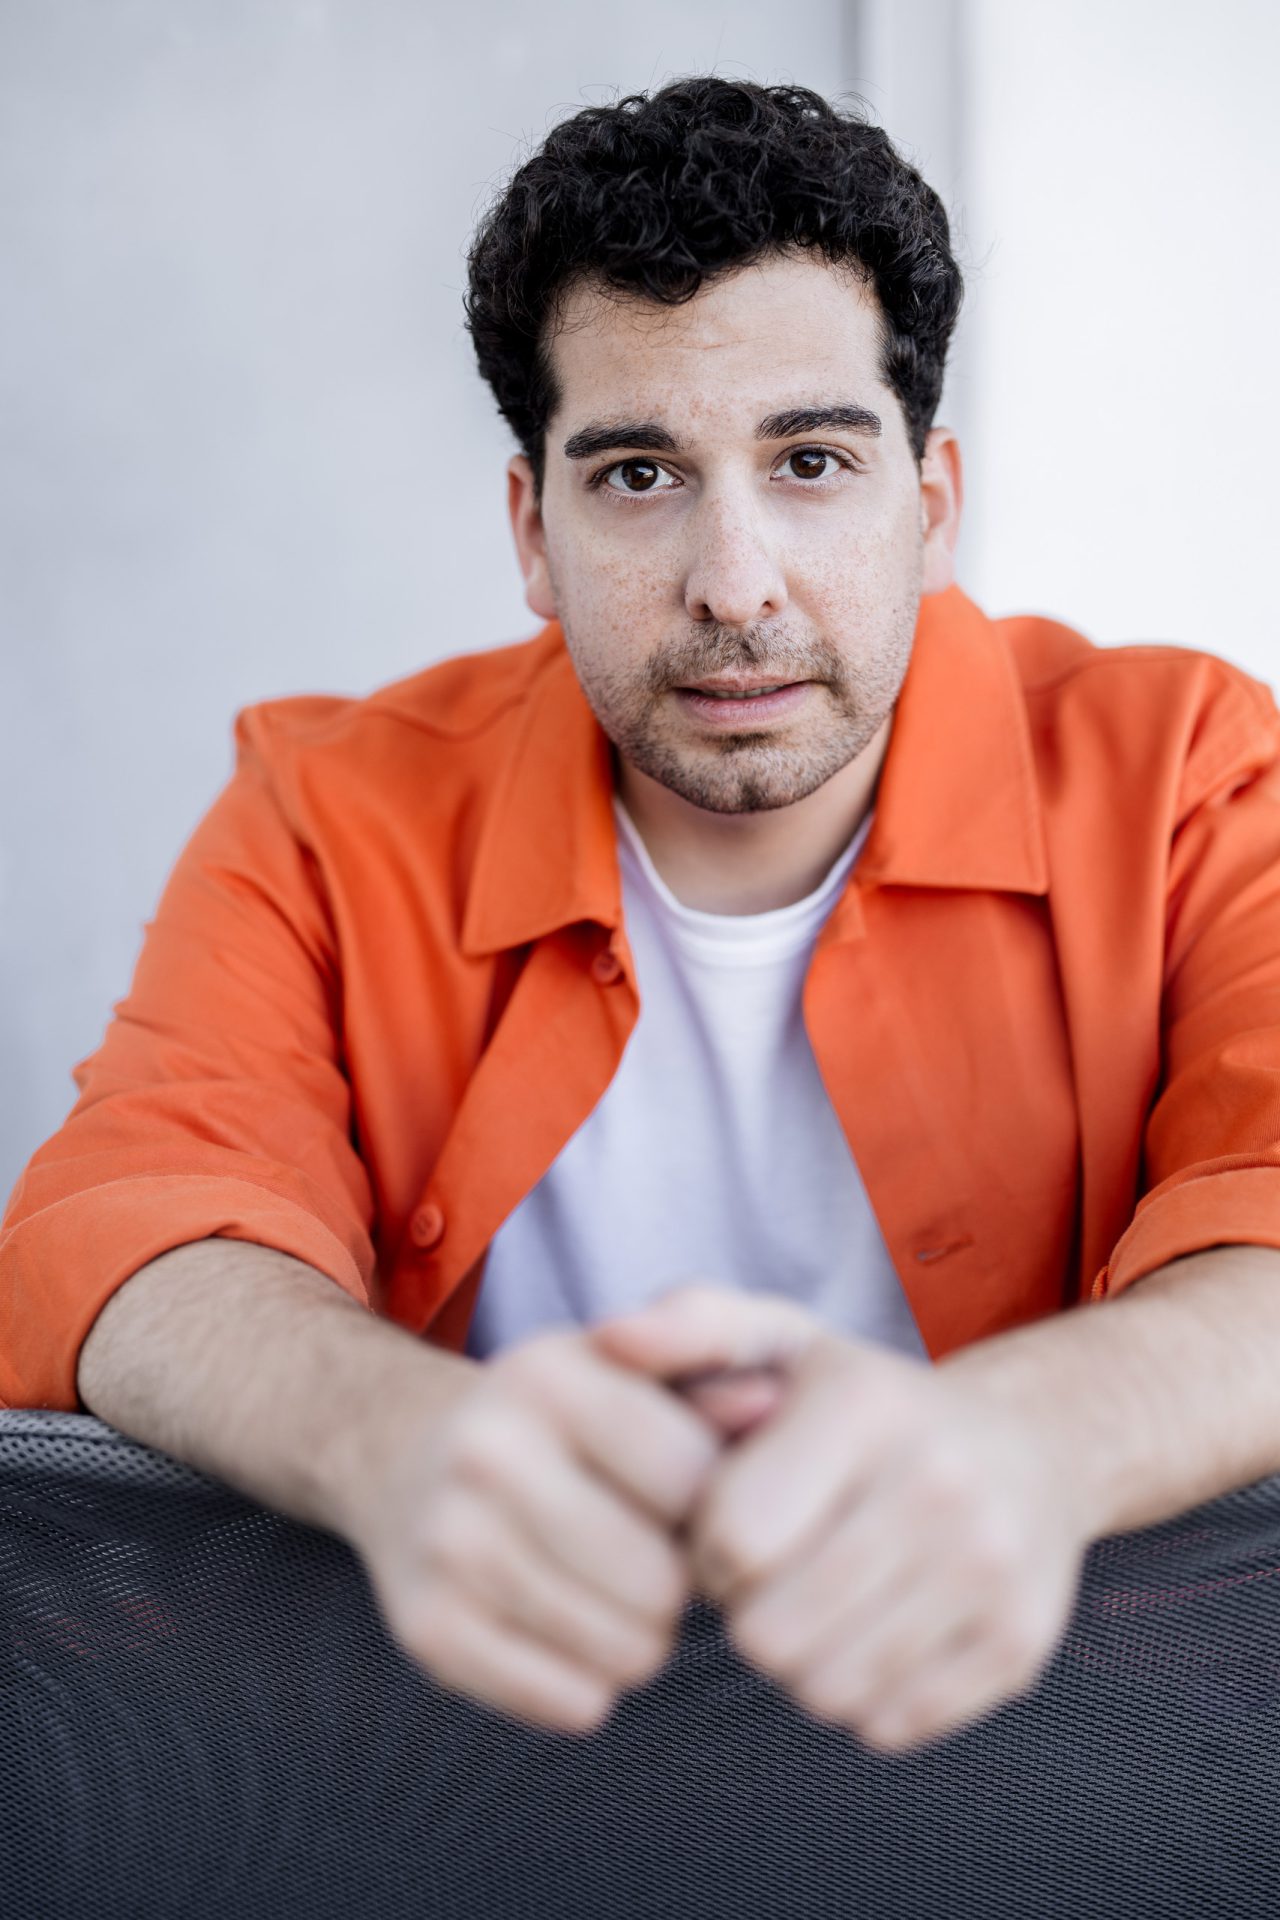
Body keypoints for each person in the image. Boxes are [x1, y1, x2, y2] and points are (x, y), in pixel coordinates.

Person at [4, 76, 1280, 1760]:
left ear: (930, 507)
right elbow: (127, 1223)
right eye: (636, 475)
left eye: (811, 462)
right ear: (532, 531)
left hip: (1056, 1773)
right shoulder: (327, 812)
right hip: (476, 1776)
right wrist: (394, 1436)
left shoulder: (1192, 773)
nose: (735, 584)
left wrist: (1041, 1435)